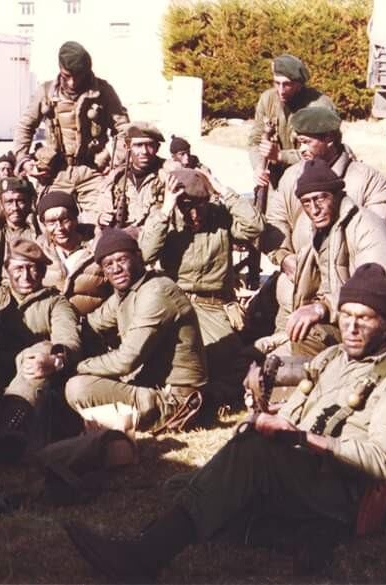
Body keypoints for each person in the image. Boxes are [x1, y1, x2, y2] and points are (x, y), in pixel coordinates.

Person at [64, 263, 386, 581]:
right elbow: (297, 412)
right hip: (308, 472)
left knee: (242, 466)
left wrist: (301, 438)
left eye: (365, 318)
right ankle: (300, 533)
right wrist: (266, 415)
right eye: (347, 315)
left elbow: (382, 461)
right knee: (188, 483)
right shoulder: (335, 357)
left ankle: (145, 557)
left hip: (345, 491)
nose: (352, 327)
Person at [261, 107, 386, 342]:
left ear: (329, 139)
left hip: (350, 309)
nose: (301, 149)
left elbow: (384, 249)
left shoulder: (368, 181)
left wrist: (327, 303)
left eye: (306, 142)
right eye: (298, 142)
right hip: (294, 298)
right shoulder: (291, 177)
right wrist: (284, 258)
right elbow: (274, 223)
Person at [140, 168, 264, 404]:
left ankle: (205, 398)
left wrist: (221, 188)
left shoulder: (220, 218)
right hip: (175, 304)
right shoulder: (166, 219)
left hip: (213, 306)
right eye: (187, 206)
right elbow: (145, 253)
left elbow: (255, 227)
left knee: (222, 358)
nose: (195, 214)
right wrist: (166, 209)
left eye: (201, 205)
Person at [65, 229, 208, 433]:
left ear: (139, 257)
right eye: (108, 264)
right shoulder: (126, 293)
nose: (116, 269)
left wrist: (77, 365)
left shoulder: (157, 291)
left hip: (175, 400)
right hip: (151, 387)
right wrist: (60, 346)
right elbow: (90, 326)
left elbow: (126, 361)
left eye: (122, 259)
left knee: (78, 388)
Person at [262, 159, 386, 357]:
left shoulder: (368, 228)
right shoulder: (321, 232)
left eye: (320, 199)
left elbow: (375, 295)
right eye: (306, 202)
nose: (314, 209)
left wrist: (321, 308)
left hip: (373, 334)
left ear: (338, 195)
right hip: (338, 322)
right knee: (254, 355)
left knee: (304, 339)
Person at [0, 238, 82, 461]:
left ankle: (7, 430)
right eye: (19, 268)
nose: (26, 275)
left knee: (41, 349)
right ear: (7, 270)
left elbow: (69, 340)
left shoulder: (55, 302)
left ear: (42, 272)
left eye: (33, 268)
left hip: (35, 377)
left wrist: (54, 360)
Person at [13, 41, 130, 172]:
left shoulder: (103, 91)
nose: (72, 82)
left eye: (78, 76)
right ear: (60, 68)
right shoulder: (45, 92)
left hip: (94, 171)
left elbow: (123, 129)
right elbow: (25, 127)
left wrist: (116, 163)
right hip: (56, 172)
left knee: (113, 192)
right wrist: (23, 160)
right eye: (66, 76)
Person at [249, 54, 336, 190]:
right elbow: (255, 141)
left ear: (299, 85)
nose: (281, 90)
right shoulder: (268, 99)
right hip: (275, 177)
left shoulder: (319, 107)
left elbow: (322, 153)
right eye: (277, 83)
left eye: (287, 84)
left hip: (311, 177)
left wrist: (280, 156)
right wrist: (258, 168)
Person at [35, 190, 110, 315]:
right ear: (44, 225)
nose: (59, 228)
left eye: (65, 220)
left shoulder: (101, 246)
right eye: (51, 222)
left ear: (75, 220)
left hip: (95, 326)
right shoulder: (38, 251)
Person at [97, 122, 168, 233]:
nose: (144, 151)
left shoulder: (167, 176)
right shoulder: (116, 179)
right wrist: (101, 219)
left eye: (150, 145)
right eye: (138, 145)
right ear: (127, 147)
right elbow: (100, 210)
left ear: (157, 148)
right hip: (123, 242)